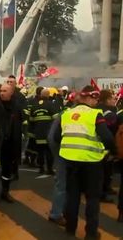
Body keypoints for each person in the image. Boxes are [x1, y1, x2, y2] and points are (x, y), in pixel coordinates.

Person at [53, 85, 116, 239]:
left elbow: (56, 137)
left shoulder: (67, 113)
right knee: (92, 199)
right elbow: (107, 137)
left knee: (72, 196)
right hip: (91, 162)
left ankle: (70, 228)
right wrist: (111, 152)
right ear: (90, 97)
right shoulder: (95, 114)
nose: (96, 102)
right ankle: (91, 233)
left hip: (70, 161)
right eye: (95, 98)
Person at [0, 83, 26, 203]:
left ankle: (5, 192)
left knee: (7, 170)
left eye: (5, 91)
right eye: (1, 90)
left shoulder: (17, 108)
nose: (2, 93)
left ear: (12, 93)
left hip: (11, 143)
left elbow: (21, 123)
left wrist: (20, 136)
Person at [31, 88, 59, 175]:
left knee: (40, 151)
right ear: (48, 95)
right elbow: (56, 119)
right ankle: (49, 169)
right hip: (48, 133)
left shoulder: (34, 105)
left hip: (38, 133)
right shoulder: (50, 104)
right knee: (49, 152)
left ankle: (41, 168)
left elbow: (31, 120)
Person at [97, 90, 118, 203]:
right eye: (112, 98)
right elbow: (111, 132)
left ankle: (105, 189)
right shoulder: (109, 114)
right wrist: (114, 149)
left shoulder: (96, 109)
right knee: (105, 171)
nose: (114, 100)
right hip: (105, 146)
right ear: (107, 99)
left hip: (95, 145)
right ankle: (102, 193)